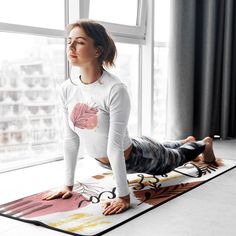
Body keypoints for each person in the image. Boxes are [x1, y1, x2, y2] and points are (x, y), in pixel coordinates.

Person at [42, 19, 217, 216]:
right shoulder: (67, 88)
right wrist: (67, 185)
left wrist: (124, 196)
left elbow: (114, 147)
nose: (71, 47)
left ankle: (203, 143)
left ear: (97, 51)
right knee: (164, 147)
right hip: (125, 149)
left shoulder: (114, 89)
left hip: (139, 156)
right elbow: (71, 139)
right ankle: (185, 140)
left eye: (80, 42)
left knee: (176, 158)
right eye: (69, 41)